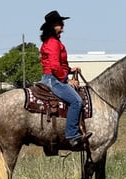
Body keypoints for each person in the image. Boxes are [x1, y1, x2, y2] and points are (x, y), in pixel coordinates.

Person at [39, 10, 91, 149]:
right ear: (52, 26)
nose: (62, 26)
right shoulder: (53, 43)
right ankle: (72, 135)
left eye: (61, 23)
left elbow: (57, 64)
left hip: (53, 76)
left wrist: (69, 70)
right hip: (53, 79)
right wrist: (66, 80)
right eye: (59, 24)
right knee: (76, 101)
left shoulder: (52, 41)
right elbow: (55, 66)